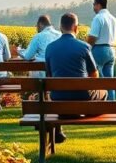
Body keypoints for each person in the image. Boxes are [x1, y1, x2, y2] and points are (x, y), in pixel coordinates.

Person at [43, 12, 107, 144]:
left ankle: (60, 128)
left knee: (62, 96)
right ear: (76, 28)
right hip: (82, 97)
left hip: (59, 98)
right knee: (104, 92)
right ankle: (85, 112)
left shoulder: (50, 48)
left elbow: (49, 76)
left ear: (61, 28)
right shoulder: (84, 47)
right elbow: (94, 75)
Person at [86, 0, 116, 100]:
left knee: (97, 80)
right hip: (112, 50)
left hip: (100, 50)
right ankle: (111, 104)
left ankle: (100, 104)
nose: (93, 8)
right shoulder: (114, 19)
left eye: (94, 5)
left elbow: (93, 37)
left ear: (98, 5)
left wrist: (86, 48)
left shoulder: (98, 18)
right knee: (110, 81)